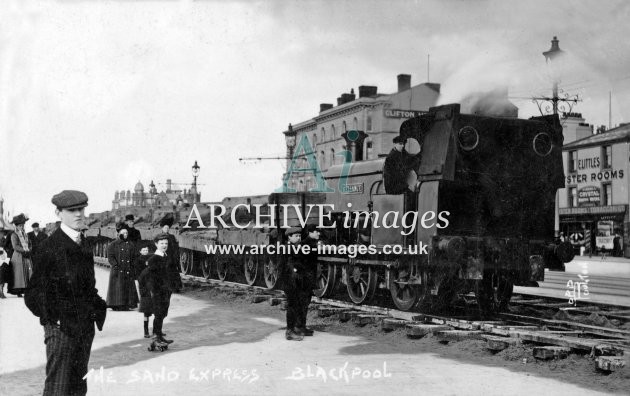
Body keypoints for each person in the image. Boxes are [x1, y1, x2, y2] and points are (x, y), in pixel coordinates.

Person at [24, 190, 107, 396]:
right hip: (61, 331)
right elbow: (33, 294)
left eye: (81, 209)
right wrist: (55, 319)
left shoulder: (84, 245)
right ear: (58, 212)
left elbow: (87, 286)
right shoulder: (48, 247)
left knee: (78, 387)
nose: (78, 214)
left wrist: (97, 306)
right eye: (72, 210)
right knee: (58, 388)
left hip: (84, 326)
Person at [144, 233, 173, 344]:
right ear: (156, 244)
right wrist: (155, 290)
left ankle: (159, 335)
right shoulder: (154, 259)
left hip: (166, 291)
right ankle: (156, 336)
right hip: (158, 292)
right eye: (161, 243)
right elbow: (150, 278)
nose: (164, 245)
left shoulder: (165, 256)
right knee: (158, 313)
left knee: (162, 313)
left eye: (166, 243)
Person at [297, 223, 322, 337]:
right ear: (310, 232)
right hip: (305, 279)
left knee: (305, 303)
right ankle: (299, 327)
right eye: (317, 231)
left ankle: (302, 326)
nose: (318, 233)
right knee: (303, 303)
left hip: (307, 278)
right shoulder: (306, 244)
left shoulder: (309, 243)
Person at [106, 226, 139, 311]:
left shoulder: (131, 244)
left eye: (126, 233)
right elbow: (110, 256)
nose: (125, 234)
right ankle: (116, 305)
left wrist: (133, 265)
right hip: (117, 269)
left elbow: (135, 256)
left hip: (128, 269)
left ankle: (127, 304)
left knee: (127, 287)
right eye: (123, 233)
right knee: (118, 287)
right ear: (119, 234)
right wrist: (115, 265)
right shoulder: (113, 244)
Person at [283, 226, 304, 341]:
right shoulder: (288, 248)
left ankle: (293, 328)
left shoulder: (295, 247)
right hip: (290, 281)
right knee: (292, 306)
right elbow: (289, 264)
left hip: (294, 281)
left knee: (295, 305)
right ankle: (289, 331)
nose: (299, 238)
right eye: (296, 236)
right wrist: (295, 271)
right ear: (289, 237)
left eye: (299, 236)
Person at [9, 213, 33, 297]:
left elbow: (29, 243)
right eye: (20, 226)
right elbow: (15, 246)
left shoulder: (26, 235)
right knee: (19, 273)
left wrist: (29, 249)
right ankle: (18, 291)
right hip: (18, 256)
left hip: (26, 255)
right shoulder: (14, 235)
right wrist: (24, 250)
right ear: (16, 226)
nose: (22, 227)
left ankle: (27, 289)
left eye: (22, 225)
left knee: (28, 271)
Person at [159, 216, 182, 293]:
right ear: (162, 229)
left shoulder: (171, 237)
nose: (167, 229)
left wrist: (175, 256)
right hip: (163, 257)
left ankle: (175, 288)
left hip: (171, 257)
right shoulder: (159, 237)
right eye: (165, 228)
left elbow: (175, 247)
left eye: (168, 228)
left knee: (173, 272)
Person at [134, 245, 153, 338]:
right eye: (144, 250)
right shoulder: (138, 261)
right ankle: (146, 331)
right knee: (146, 311)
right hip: (144, 286)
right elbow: (138, 274)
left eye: (147, 250)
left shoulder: (151, 258)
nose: (145, 251)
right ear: (140, 251)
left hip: (151, 286)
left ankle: (157, 330)